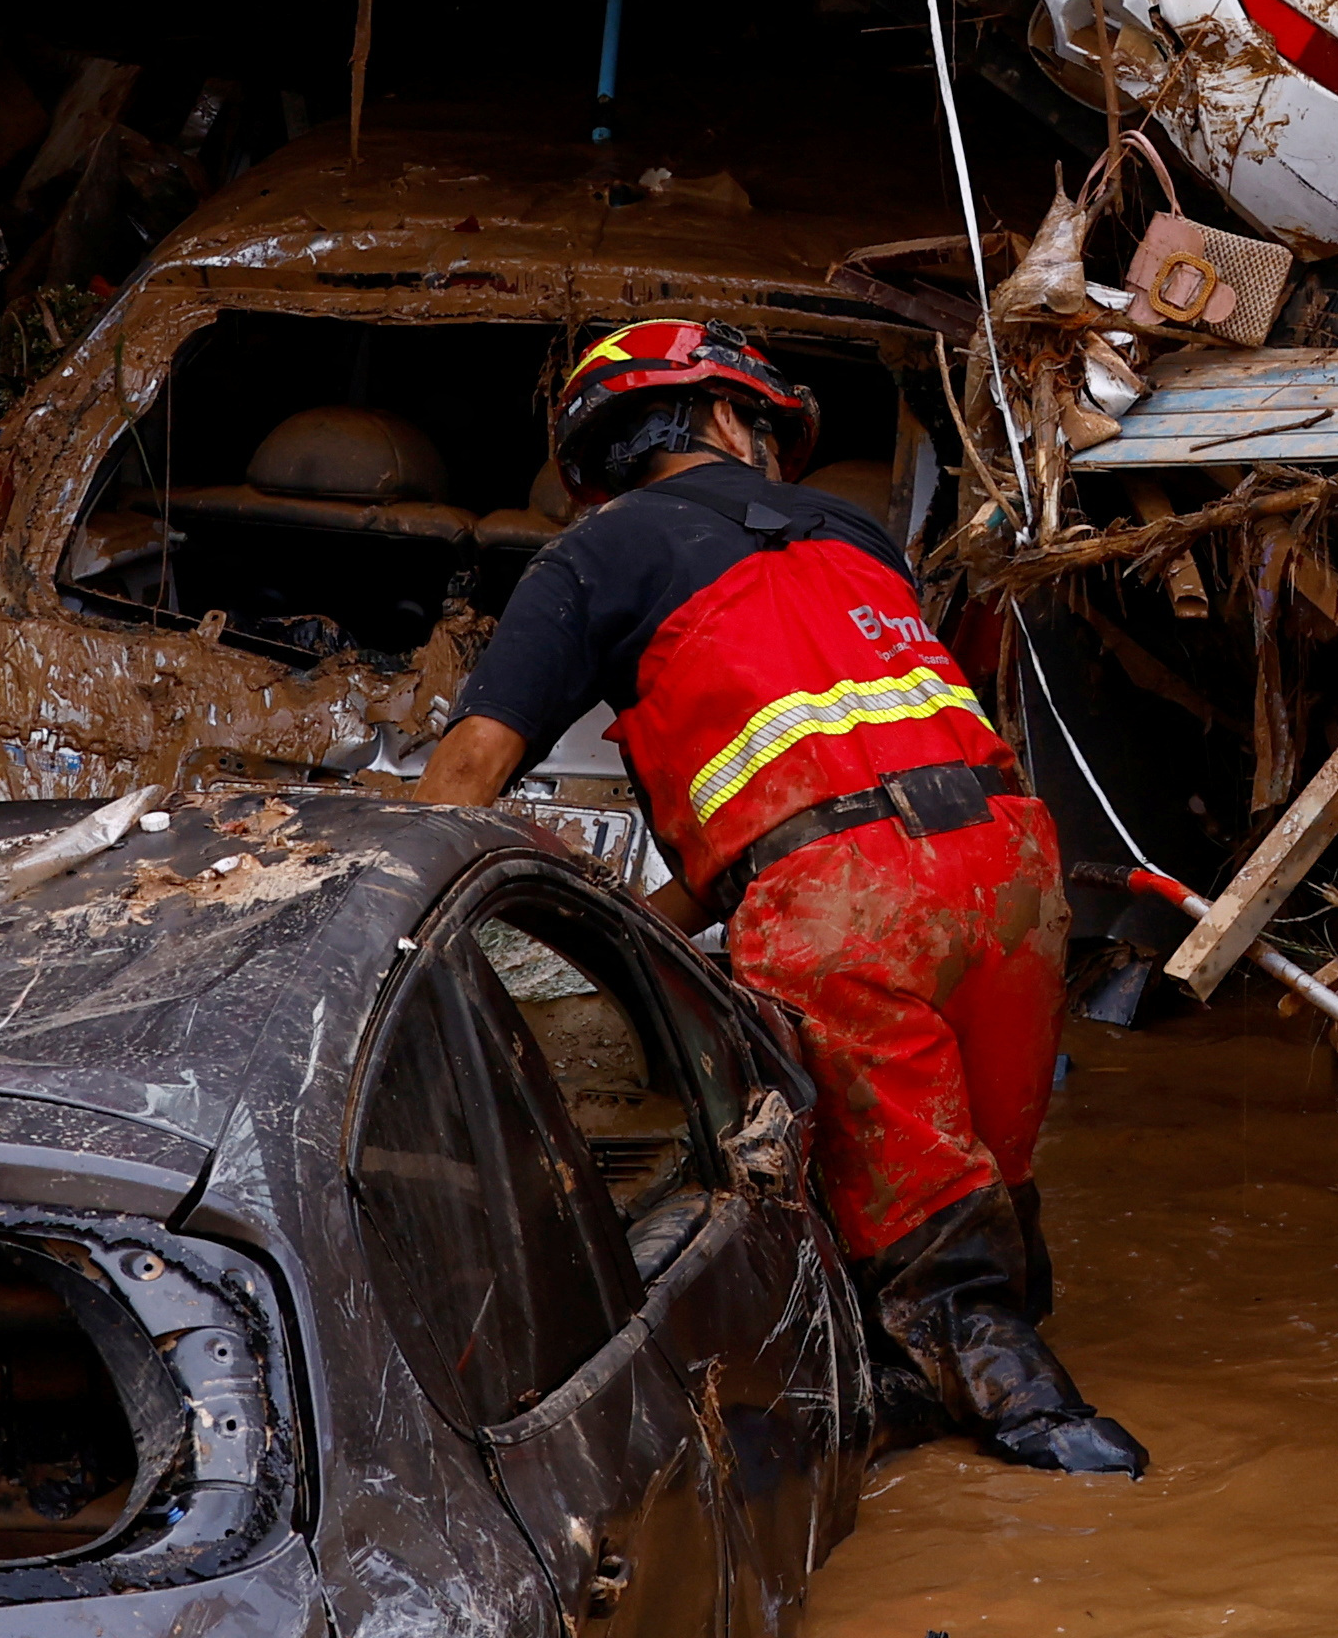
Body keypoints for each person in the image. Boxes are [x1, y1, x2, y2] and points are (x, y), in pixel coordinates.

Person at [419, 319, 1147, 1477]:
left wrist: (390, 921)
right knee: (988, 1183)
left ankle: (1051, 1432)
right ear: (727, 416)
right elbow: (824, 782)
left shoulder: (594, 554)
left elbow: (467, 773)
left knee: (922, 1224)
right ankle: (930, 1379)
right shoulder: (853, 532)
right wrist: (642, 934)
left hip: (846, 905)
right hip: (1008, 865)